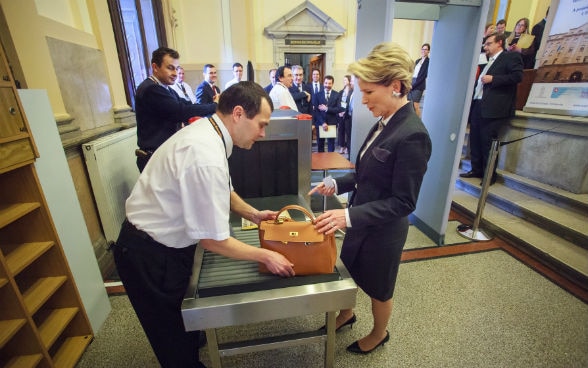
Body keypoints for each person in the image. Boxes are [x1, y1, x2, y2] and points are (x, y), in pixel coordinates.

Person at [113, 81, 295, 368]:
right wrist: (265, 255)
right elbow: (213, 240)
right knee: (172, 343)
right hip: (149, 254)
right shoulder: (204, 154)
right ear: (238, 113)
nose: (263, 133)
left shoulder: (209, 133)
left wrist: (252, 214)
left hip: (166, 246)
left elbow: (224, 190)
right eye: (261, 124)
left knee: (184, 327)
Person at [309, 42, 431, 355]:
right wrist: (336, 184)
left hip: (384, 231)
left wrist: (346, 217)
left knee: (378, 287)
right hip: (361, 219)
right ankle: (347, 313)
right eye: (361, 92)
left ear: (395, 87)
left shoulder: (413, 134)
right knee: (350, 268)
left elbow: (404, 202)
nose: (362, 101)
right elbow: (367, 173)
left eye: (368, 93)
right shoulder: (384, 123)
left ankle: (379, 333)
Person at [134, 47, 216, 172]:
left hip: (162, 155)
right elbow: (180, 111)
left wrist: (213, 105)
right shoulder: (151, 89)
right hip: (154, 158)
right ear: (155, 67)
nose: (175, 74)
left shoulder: (167, 89)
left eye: (176, 69)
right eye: (170, 68)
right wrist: (216, 106)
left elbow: (187, 104)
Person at [460, 32, 523, 184]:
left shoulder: (510, 57)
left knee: (487, 142)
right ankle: (476, 169)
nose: (485, 46)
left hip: (494, 108)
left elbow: (517, 77)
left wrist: (494, 79)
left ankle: (489, 176)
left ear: (499, 43)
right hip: (478, 104)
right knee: (475, 139)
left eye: (489, 43)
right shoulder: (488, 61)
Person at [312, 75, 340, 152]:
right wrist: (323, 123)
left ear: (332, 84)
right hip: (320, 123)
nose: (327, 85)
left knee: (331, 146)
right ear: (323, 83)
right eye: (326, 83)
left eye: (329, 83)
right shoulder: (317, 95)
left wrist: (327, 109)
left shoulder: (337, 95)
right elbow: (316, 112)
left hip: (332, 123)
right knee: (320, 146)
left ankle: (330, 163)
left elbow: (338, 109)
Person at [408, 43, 430, 117]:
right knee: (408, 104)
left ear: (428, 51)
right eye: (423, 49)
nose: (423, 51)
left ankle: (418, 124)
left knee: (415, 105)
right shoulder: (417, 61)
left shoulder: (428, 62)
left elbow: (423, 76)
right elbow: (413, 72)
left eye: (426, 49)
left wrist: (413, 86)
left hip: (419, 84)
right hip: (412, 82)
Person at [336, 74, 353, 154]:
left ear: (349, 81)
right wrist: (340, 112)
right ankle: (342, 146)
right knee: (341, 130)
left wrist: (345, 112)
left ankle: (347, 147)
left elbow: (349, 104)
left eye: (345, 80)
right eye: (343, 80)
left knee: (348, 131)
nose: (344, 81)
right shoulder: (341, 91)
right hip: (340, 114)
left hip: (347, 115)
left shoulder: (352, 91)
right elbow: (339, 103)